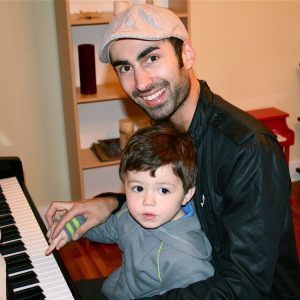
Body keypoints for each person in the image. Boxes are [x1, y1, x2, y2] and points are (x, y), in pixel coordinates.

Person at [46, 4, 300, 299]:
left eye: (151, 58)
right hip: (181, 281)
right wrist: (108, 205)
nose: (141, 83)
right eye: (125, 68)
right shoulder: (162, 126)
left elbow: (244, 286)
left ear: (187, 54)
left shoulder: (248, 150)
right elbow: (170, 195)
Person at [45, 122, 214, 299]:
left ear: (187, 195)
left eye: (163, 190)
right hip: (116, 288)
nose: (147, 201)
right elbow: (110, 228)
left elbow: (200, 294)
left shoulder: (186, 259)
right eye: (138, 188)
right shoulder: (133, 215)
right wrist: (72, 224)